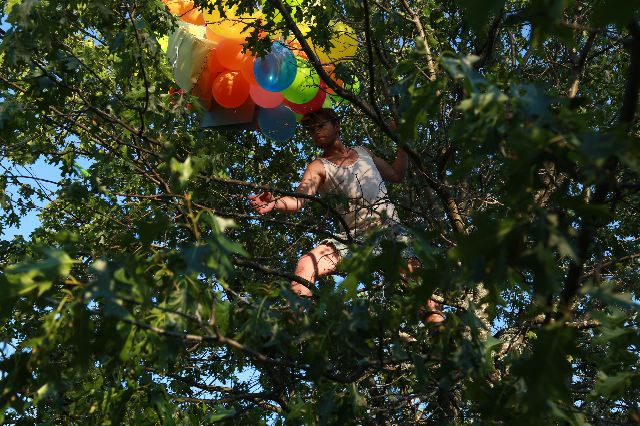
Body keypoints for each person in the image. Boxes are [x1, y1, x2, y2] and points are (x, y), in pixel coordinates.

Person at [248, 108, 444, 325]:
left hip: (390, 229)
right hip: (354, 239)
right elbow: (299, 199)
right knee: (307, 263)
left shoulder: (363, 152)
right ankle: (294, 325)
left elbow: (396, 174)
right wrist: (275, 202)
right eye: (311, 130)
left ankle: (439, 329)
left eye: (320, 126)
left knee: (418, 283)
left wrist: (403, 140)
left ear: (337, 126)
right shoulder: (318, 166)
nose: (316, 132)